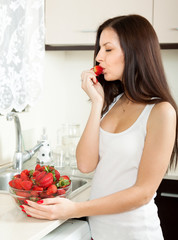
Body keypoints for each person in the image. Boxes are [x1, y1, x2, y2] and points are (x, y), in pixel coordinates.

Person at [22, 15, 177, 240]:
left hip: (136, 234)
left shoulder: (161, 111)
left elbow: (143, 193)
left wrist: (74, 209)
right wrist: (97, 104)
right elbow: (85, 164)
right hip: (101, 232)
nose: (98, 57)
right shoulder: (114, 101)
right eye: (99, 49)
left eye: (108, 49)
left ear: (135, 51)